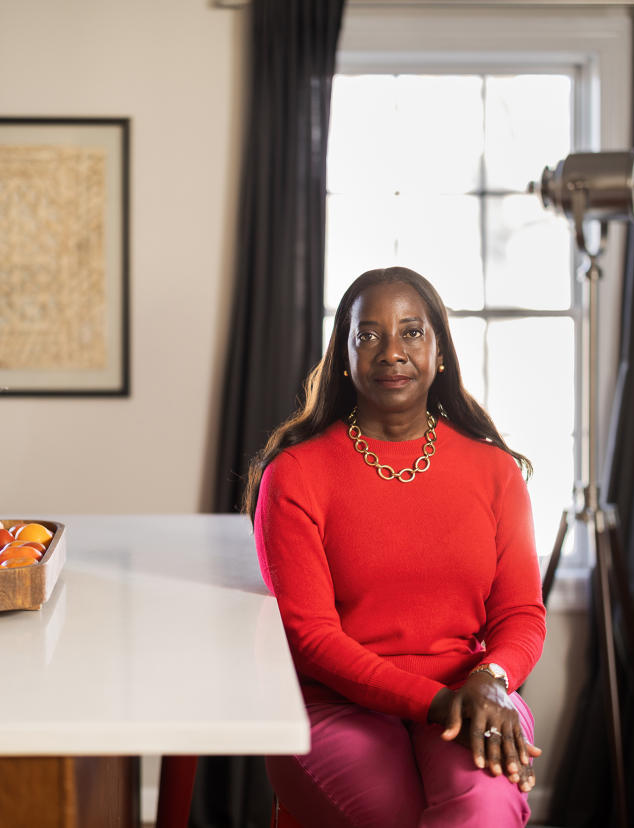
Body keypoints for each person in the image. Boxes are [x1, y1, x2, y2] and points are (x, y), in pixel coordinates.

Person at [246, 266, 547, 828]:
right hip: (335, 703)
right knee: (398, 815)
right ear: (344, 353)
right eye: (369, 335)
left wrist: (491, 680)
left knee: (486, 806)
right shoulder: (296, 475)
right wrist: (435, 702)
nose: (392, 352)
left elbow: (521, 614)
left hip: (472, 691)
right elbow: (310, 638)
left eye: (411, 332)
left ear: (439, 353)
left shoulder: (494, 472)